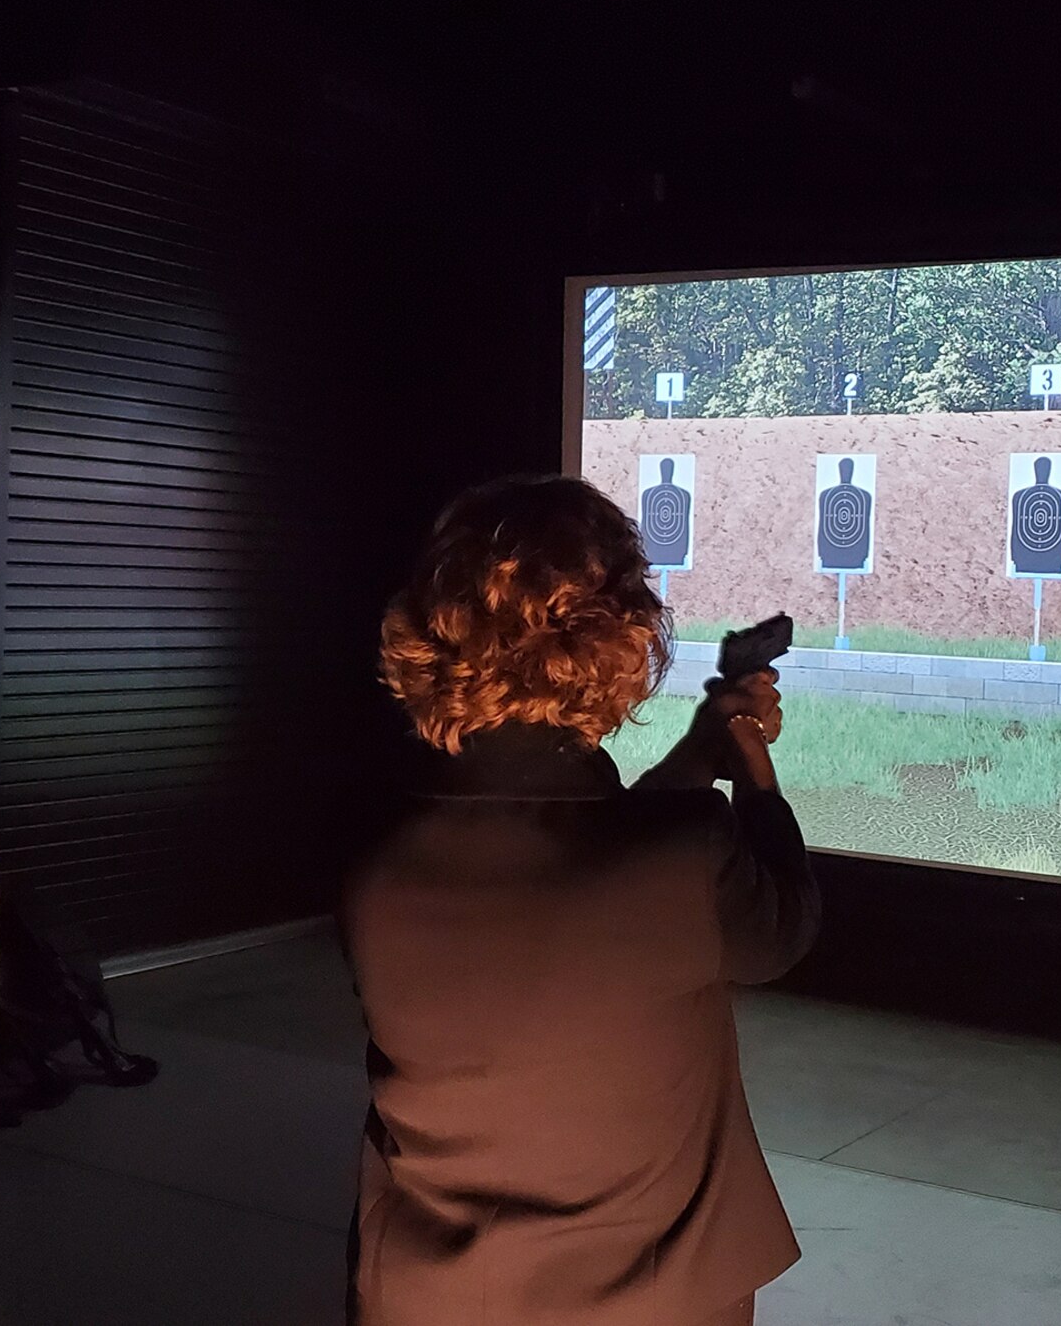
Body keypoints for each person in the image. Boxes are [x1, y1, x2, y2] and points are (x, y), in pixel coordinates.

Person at [344, 476, 821, 1326]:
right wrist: (753, 774)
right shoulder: (682, 856)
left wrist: (697, 751)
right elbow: (780, 925)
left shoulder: (377, 869)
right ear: (619, 636)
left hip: (434, 1299)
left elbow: (578, 850)